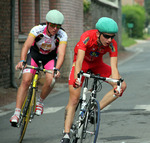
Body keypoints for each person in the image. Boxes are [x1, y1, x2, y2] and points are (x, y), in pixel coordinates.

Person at [60, 17, 127, 143]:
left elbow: (114, 68)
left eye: (112, 37)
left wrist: (117, 85)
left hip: (97, 65)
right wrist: (78, 77)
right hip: (82, 64)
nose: (109, 40)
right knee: (74, 98)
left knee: (122, 85)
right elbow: (79, 60)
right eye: (106, 36)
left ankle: (94, 110)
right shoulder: (87, 37)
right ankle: (66, 133)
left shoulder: (112, 44)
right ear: (98, 33)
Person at [10, 9, 68, 127]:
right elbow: (26, 45)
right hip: (34, 55)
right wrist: (22, 60)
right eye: (52, 25)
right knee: (26, 80)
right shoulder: (37, 29)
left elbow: (61, 54)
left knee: (51, 80)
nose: (55, 28)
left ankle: (40, 102)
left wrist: (57, 69)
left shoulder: (62, 35)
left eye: (58, 26)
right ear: (47, 23)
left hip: (50, 58)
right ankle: (16, 113)